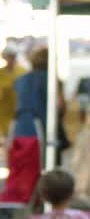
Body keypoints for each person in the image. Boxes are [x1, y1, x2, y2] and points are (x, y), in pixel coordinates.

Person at [1, 48, 61, 205]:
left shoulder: (21, 78)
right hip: (38, 129)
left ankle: (19, 197)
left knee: (19, 167)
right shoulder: (50, 80)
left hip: (19, 128)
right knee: (37, 167)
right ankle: (38, 199)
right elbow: (59, 105)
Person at [0, 46, 22, 138]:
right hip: (5, 113)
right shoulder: (1, 73)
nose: (11, 59)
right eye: (9, 56)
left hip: (20, 111)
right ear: (4, 57)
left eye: (13, 56)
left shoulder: (22, 71)